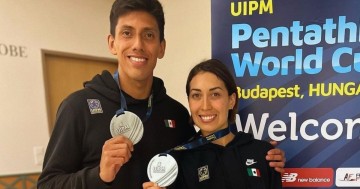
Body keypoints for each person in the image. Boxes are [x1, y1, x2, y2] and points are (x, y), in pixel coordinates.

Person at [37, 0, 285, 189]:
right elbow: (47, 184)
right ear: (112, 43)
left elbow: (208, 155)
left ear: (161, 47)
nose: (138, 44)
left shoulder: (175, 113)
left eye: (148, 35)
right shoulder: (77, 107)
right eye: (127, 33)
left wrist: (262, 157)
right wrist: (98, 175)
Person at [143, 59, 282, 189]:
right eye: (196, 95)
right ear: (189, 102)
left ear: (231, 100)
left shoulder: (264, 153)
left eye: (215, 94)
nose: (205, 106)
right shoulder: (178, 163)